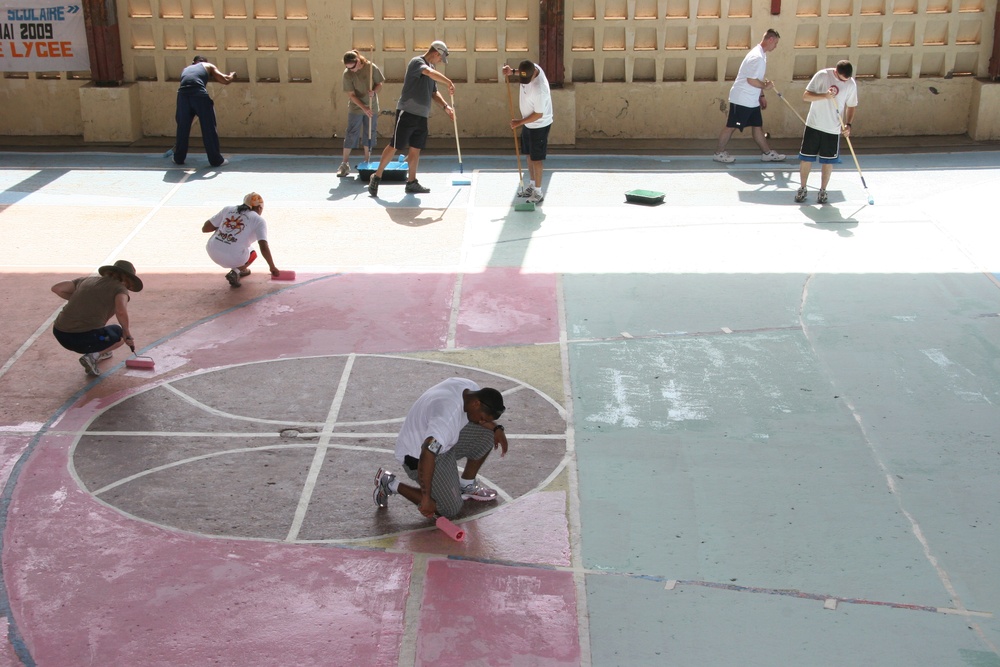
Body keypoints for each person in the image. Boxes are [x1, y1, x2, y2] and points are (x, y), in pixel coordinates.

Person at [373, 378, 508, 520]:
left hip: (440, 440)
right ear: (476, 403)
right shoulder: (445, 419)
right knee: (450, 508)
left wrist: (496, 428)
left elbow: (478, 421)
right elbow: (428, 452)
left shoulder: (469, 388)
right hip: (417, 456)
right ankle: (390, 484)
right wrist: (425, 498)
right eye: (482, 418)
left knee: (488, 433)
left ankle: (466, 485)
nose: (483, 422)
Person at [368, 40, 456, 198]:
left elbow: (433, 92)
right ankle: (377, 176)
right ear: (436, 53)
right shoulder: (417, 62)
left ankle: (411, 181)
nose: (439, 61)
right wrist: (448, 82)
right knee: (396, 144)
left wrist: (446, 107)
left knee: (416, 148)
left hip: (422, 115)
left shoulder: (432, 69)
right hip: (407, 112)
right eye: (440, 58)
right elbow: (427, 73)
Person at [51, 260, 143, 377]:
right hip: (83, 340)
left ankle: (99, 351)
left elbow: (57, 288)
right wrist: (127, 333)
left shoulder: (87, 280)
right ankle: (93, 355)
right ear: (129, 280)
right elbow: (121, 311)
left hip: (59, 333)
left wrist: (80, 300)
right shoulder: (120, 289)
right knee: (118, 333)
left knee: (102, 331)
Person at [714, 29, 785, 164]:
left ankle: (767, 153)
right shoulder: (757, 57)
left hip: (752, 100)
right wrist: (765, 86)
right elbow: (751, 80)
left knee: (757, 126)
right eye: (775, 43)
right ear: (770, 40)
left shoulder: (762, 55)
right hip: (742, 99)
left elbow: (756, 78)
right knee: (731, 126)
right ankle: (719, 153)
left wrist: (761, 95)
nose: (776, 46)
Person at [795, 60, 858, 204]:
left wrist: (848, 124)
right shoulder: (822, 75)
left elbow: (852, 105)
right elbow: (806, 96)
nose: (844, 82)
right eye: (842, 79)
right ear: (836, 71)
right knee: (806, 158)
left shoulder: (850, 84)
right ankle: (802, 188)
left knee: (828, 162)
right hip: (814, 125)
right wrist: (824, 96)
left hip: (833, 129)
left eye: (846, 79)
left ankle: (823, 190)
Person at [202, 192, 280, 287]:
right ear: (259, 208)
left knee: (234, 244)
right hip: (234, 257)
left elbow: (205, 229)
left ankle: (239, 269)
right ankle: (236, 271)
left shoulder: (228, 209)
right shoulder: (259, 220)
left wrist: (223, 229)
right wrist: (272, 267)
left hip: (212, 251)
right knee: (252, 253)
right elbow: (263, 246)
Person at [502, 60, 553, 205]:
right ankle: (531, 185)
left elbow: (538, 114)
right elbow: (524, 70)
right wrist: (512, 72)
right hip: (527, 123)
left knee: (536, 158)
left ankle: (538, 192)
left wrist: (519, 122)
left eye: (526, 79)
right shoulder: (533, 68)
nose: (524, 81)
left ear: (533, 75)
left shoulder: (539, 89)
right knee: (529, 155)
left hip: (539, 125)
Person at [173, 55, 236, 168]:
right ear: (204, 62)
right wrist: (232, 75)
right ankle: (216, 160)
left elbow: (190, 81)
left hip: (182, 96)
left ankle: (178, 158)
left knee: (182, 127)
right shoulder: (208, 65)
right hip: (199, 96)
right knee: (209, 128)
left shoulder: (186, 69)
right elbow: (225, 80)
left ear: (193, 62)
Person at [337, 50, 385, 178]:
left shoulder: (371, 68)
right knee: (352, 132)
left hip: (372, 106)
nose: (351, 70)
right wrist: (363, 108)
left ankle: (366, 162)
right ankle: (344, 164)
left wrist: (374, 92)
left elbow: (379, 84)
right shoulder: (347, 74)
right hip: (357, 107)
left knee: (369, 132)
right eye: (348, 68)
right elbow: (351, 95)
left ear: (358, 61)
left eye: (352, 67)